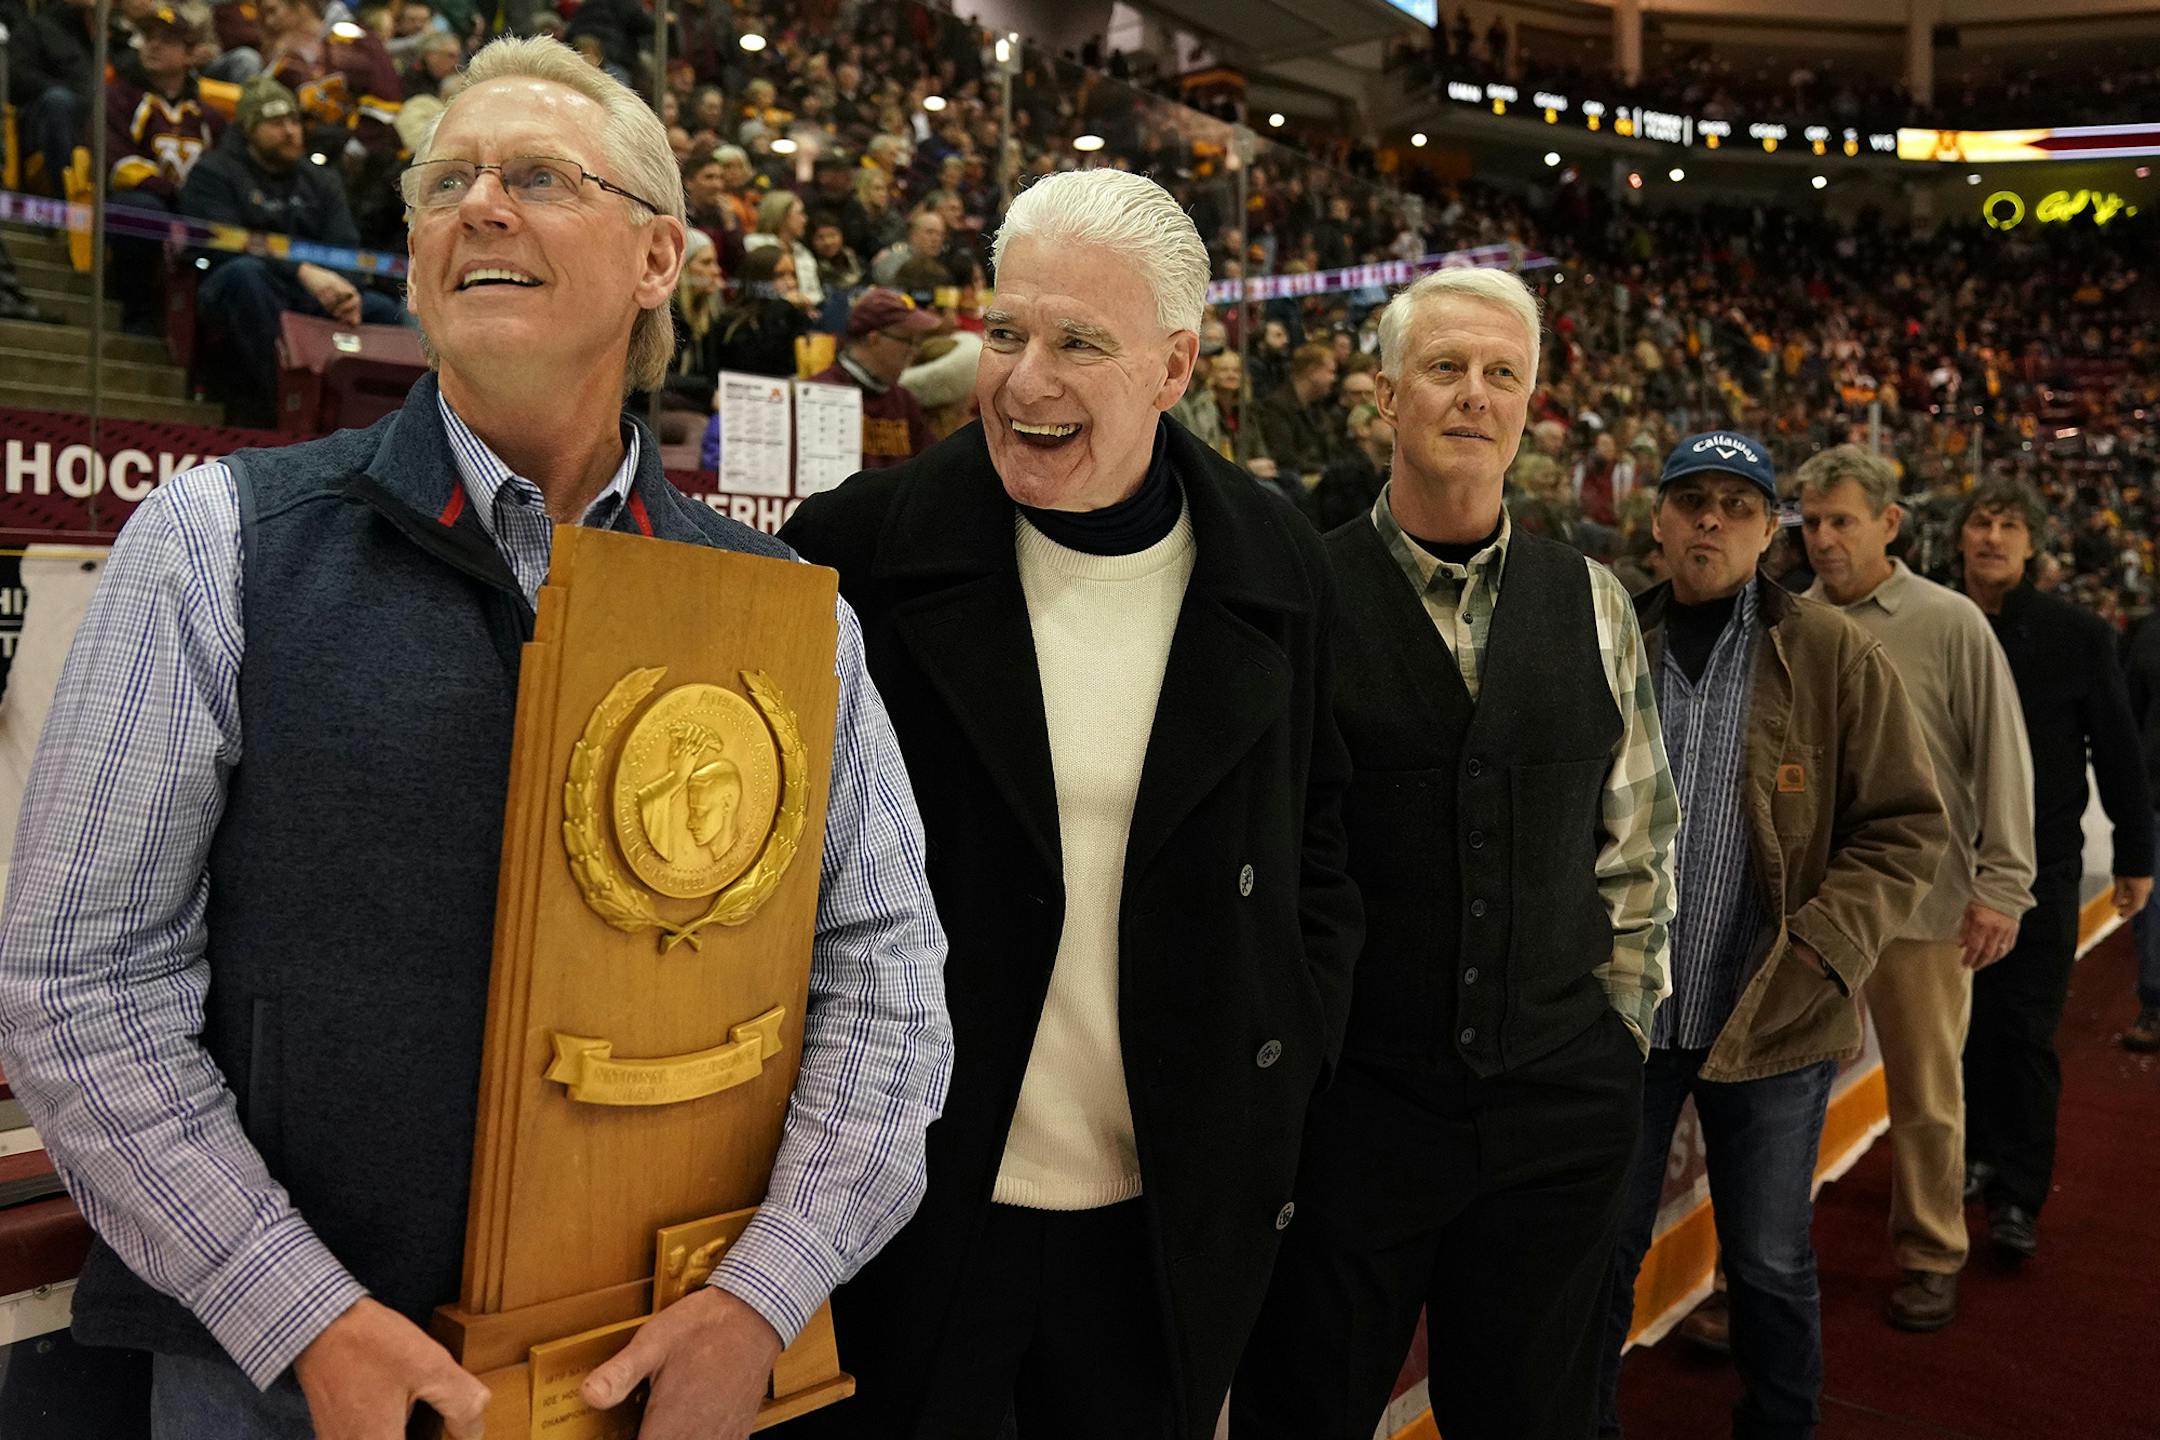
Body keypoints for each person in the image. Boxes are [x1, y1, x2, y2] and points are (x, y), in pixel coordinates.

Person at [0, 37, 952, 1440]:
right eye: (444, 182)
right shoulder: (218, 546)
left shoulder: (781, 619)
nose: (476, 205)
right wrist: (302, 1312)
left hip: (639, 1371)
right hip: (278, 1387)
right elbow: (81, 984)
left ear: (659, 259)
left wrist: (765, 1293)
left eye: (539, 176)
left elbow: (888, 978)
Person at [778, 166, 1361, 1440]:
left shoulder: (1278, 569)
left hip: (1162, 1205)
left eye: (1078, 342)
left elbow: (1316, 840)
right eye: (1004, 333)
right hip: (912, 1195)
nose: (1025, 378)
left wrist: (1291, 1041)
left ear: (1174, 367)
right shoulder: (858, 551)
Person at [1235, 266, 1679, 1440]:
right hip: (1354, 1119)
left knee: (1532, 1418)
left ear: (1529, 404)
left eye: (1500, 374)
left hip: (1555, 1112)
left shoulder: (1593, 601)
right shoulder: (1298, 595)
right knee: (1305, 1409)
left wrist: (1618, 1036)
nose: (1473, 395)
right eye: (1444, 369)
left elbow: (1639, 845)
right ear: (1384, 398)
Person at [1593, 433, 1947, 1440]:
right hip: (1628, 1008)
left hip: (1774, 1013)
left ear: (1767, 530)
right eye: (1690, 500)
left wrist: (1825, 949)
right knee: (1599, 1255)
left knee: (1769, 1260)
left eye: (1735, 504)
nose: (1710, 519)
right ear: (1656, 520)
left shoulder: (1828, 649)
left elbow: (1906, 825)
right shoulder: (1614, 635)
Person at [1798, 444, 2036, 1332]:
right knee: (1786, 1097)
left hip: (1928, 906)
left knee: (1928, 1097)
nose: (1823, 539)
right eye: (1812, 522)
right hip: (1821, 909)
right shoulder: (1792, 621)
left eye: (1841, 521)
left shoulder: (1950, 623)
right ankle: (1767, 1266)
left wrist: (2003, 887)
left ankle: (1933, 1252)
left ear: (1890, 524)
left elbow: (2002, 759)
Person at [1953, 477, 2153, 1258]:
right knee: (1960, 1030)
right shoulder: (1938, 620)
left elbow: (2118, 750)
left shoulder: (2076, 634)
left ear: (2032, 545)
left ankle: (2018, 1194)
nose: (1993, 537)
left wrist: (2137, 855)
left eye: (2008, 525)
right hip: (1947, 868)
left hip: (2045, 868)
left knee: (2026, 1032)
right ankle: (1968, 1156)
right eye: (1981, 522)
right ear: (1961, 537)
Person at [179, 77, 404, 427]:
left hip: (312, 292)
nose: (289, 131)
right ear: (249, 128)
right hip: (239, 284)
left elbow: (345, 246)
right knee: (245, 276)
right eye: (275, 123)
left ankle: (378, 426)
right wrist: (300, 270)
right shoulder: (214, 173)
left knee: (387, 311)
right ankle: (288, 405)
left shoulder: (320, 180)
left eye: (294, 121)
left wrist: (345, 289)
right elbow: (222, 243)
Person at [106, 4, 223, 332]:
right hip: (147, 202)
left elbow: (224, 171)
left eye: (167, 40)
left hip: (196, 209)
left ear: (190, 54)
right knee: (138, 210)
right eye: (148, 37)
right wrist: (172, 195)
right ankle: (138, 313)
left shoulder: (208, 117)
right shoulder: (118, 98)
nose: (153, 45)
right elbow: (117, 161)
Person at [806, 288, 938, 470]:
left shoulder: (903, 400)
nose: (914, 352)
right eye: (908, 341)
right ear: (873, 338)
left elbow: (928, 469)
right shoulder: (820, 392)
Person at [2125, 613, 2160, 1053]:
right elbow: (2129, 713)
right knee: (2153, 908)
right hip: (2156, 796)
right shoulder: (2150, 635)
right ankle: (2154, 1003)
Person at [1254, 341, 1342, 481]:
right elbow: (1284, 457)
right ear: (1312, 371)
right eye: (1330, 372)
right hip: (1296, 478)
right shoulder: (1276, 406)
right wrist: (1324, 471)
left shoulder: (1317, 410)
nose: (1334, 379)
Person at [1303, 399, 1392, 532]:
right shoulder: (1341, 474)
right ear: (1363, 429)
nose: (1394, 422)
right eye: (1382, 416)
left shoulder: (1391, 473)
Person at [744, 189, 826, 307]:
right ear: (781, 216)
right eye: (800, 213)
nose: (805, 219)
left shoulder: (802, 251)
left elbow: (815, 294)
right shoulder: (755, 245)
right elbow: (756, 289)